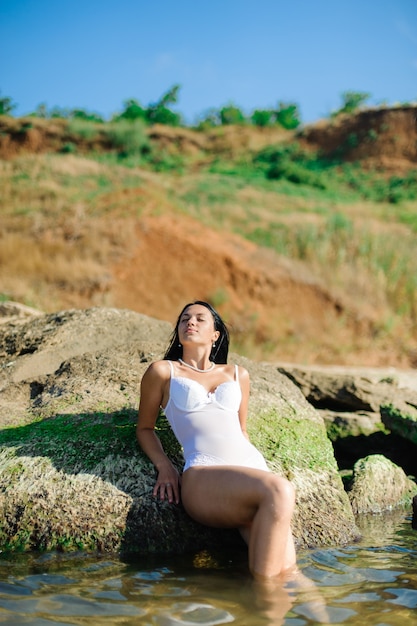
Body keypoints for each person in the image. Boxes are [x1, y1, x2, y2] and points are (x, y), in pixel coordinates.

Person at [136, 300, 297, 580]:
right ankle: (262, 605)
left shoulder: (238, 374)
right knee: (281, 490)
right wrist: (165, 466)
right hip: (205, 472)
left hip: (252, 471)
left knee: (290, 574)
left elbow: (241, 430)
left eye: (200, 318)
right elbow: (145, 429)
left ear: (215, 335)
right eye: (184, 318)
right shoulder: (163, 372)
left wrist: (260, 472)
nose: (190, 322)